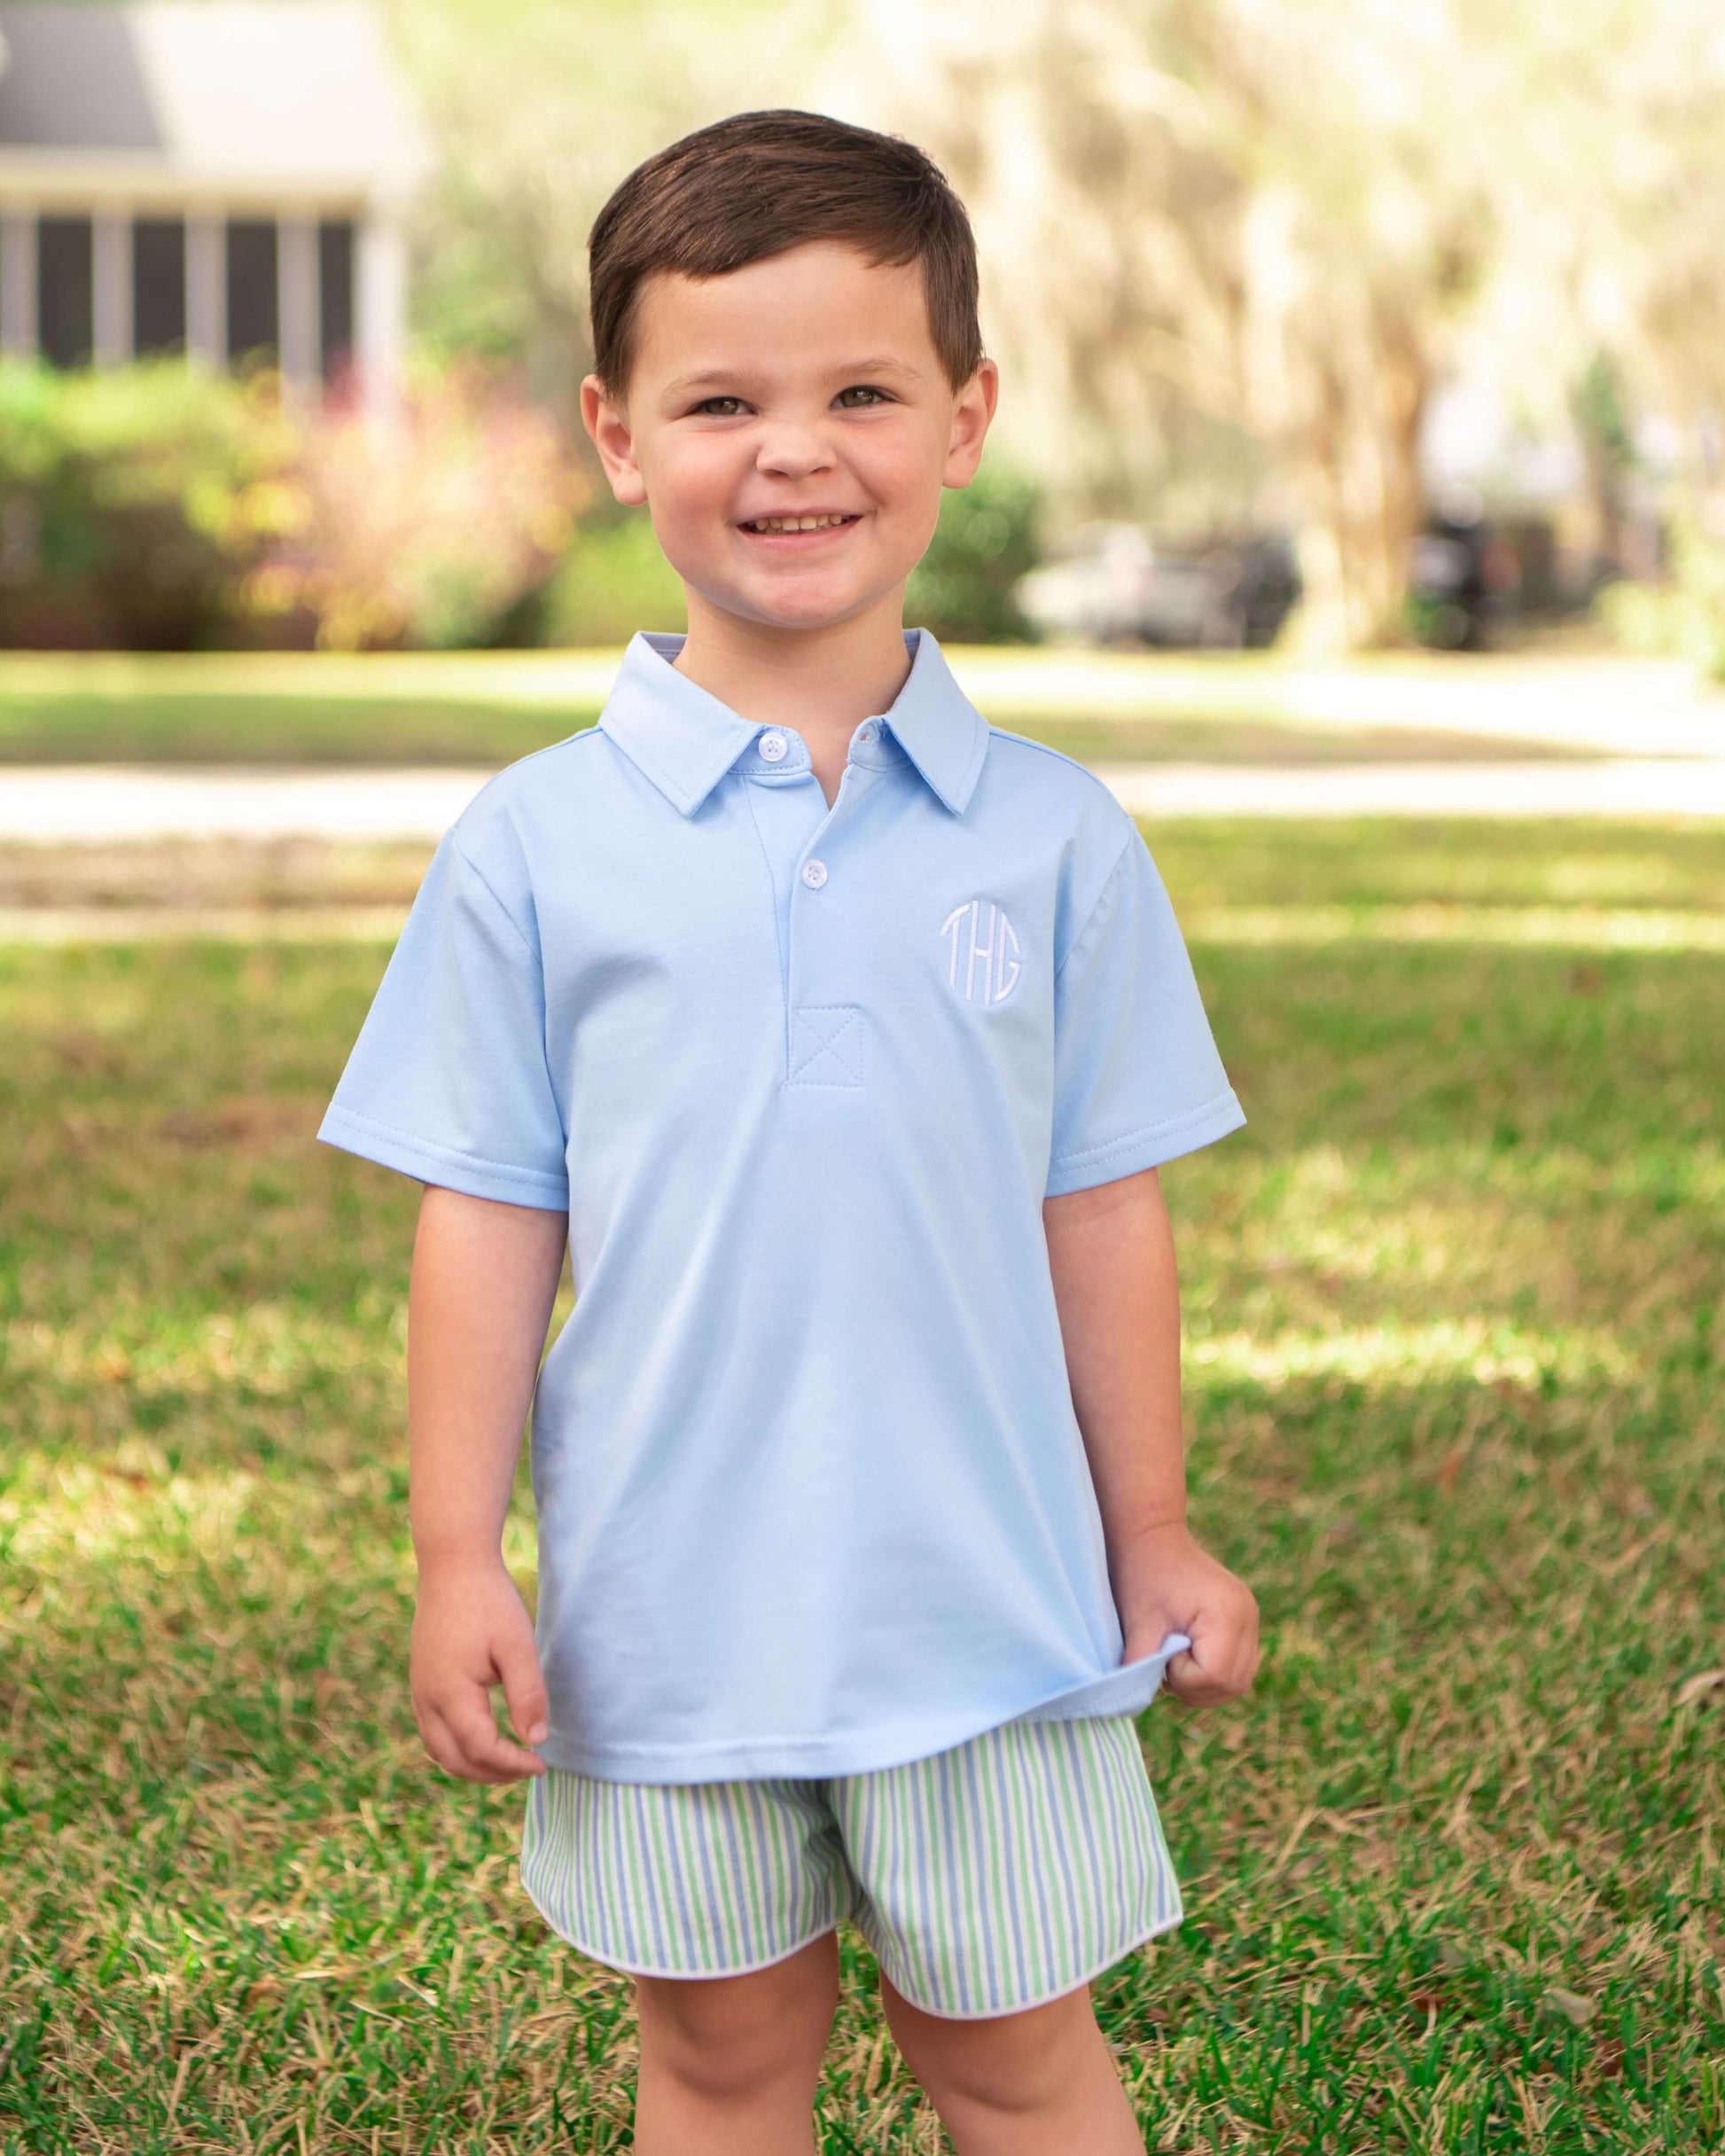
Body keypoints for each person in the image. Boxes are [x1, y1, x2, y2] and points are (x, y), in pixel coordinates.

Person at [318, 107, 1260, 2156]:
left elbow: (1101, 1209)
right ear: (617, 432)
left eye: (860, 391)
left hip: (992, 1621)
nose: (794, 450)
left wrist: (1154, 1526)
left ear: (965, 414)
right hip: (666, 1630)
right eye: (720, 398)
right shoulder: (536, 848)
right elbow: (485, 1223)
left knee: (1014, 2059)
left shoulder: (1059, 838)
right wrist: (457, 1553)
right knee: (723, 2065)